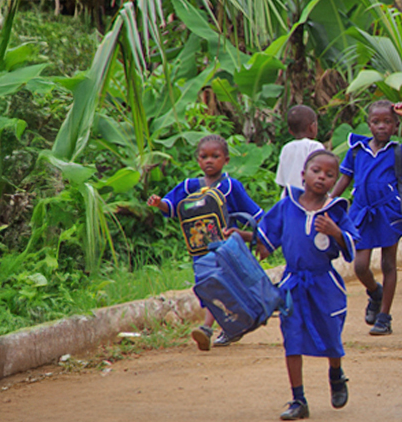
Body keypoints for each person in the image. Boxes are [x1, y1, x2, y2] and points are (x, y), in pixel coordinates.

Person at [226, 150, 358, 420]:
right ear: (303, 175)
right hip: (292, 284)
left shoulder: (336, 211)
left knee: (331, 333)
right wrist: (242, 235)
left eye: (329, 175)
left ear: (334, 182)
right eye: (316, 171)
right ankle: (298, 399)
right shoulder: (287, 206)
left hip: (325, 284)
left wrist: (335, 232)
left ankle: (336, 373)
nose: (322, 177)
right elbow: (266, 240)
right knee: (292, 340)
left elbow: (351, 244)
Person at [146, 135, 263, 350]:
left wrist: (263, 238)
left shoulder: (231, 186)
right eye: (204, 156)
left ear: (226, 160)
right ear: (198, 160)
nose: (209, 161)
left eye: (215, 156)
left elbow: (255, 214)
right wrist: (159, 203)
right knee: (207, 285)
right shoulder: (189, 186)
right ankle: (234, 325)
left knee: (219, 283)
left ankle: (208, 328)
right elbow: (172, 207)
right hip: (199, 250)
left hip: (227, 249)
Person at [331, 100, 402, 335]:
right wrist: (328, 203)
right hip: (362, 213)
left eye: (387, 122)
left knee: (388, 264)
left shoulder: (398, 151)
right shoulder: (357, 150)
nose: (381, 126)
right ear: (369, 125)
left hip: (389, 214)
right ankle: (375, 293)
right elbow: (345, 180)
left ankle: (384, 317)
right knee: (361, 266)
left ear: (395, 127)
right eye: (376, 122)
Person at [275, 105, 325, 193]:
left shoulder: (286, 148)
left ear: (290, 131)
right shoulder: (315, 146)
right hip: (308, 196)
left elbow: (281, 181)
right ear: (312, 127)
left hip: (288, 196)